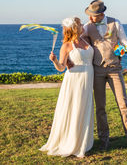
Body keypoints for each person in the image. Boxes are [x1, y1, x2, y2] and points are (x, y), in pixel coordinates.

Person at [83, 0, 127, 152]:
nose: (90, 18)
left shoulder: (115, 23)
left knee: (123, 105)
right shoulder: (87, 26)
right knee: (100, 108)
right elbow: (78, 43)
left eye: (93, 15)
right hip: (97, 70)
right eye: (89, 15)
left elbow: (125, 42)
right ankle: (104, 140)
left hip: (115, 69)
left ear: (101, 14)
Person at [39, 17, 94, 158]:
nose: (83, 25)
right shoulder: (67, 46)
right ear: (75, 28)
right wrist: (55, 60)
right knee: (74, 108)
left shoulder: (84, 40)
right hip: (74, 81)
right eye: (80, 24)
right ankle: (71, 142)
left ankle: (82, 141)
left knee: (84, 108)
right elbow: (61, 68)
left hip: (87, 80)